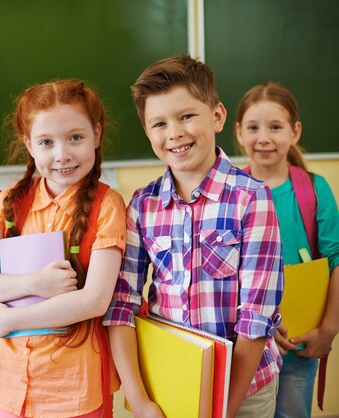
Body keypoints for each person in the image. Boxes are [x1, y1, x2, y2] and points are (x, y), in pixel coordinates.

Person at [104, 55, 284, 418]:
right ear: (148, 131)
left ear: (217, 116)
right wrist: (140, 402)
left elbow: (256, 318)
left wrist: (224, 409)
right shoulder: (142, 205)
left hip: (244, 390)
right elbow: (121, 306)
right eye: (159, 123)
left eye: (187, 116)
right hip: (170, 384)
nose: (175, 133)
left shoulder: (251, 197)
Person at [0, 79, 126, 418]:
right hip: (8, 381)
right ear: (29, 145)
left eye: (76, 138)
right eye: (46, 142)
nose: (62, 154)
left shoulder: (107, 205)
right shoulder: (11, 201)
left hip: (72, 387)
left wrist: (10, 318)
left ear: (96, 135)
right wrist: (34, 283)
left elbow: (94, 301)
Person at [235, 82, 339, 418]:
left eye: (275, 127)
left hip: (299, 346)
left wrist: (328, 330)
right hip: (247, 351)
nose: (263, 138)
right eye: (253, 128)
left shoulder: (314, 189)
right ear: (238, 132)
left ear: (294, 132)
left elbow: (336, 260)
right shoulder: (232, 193)